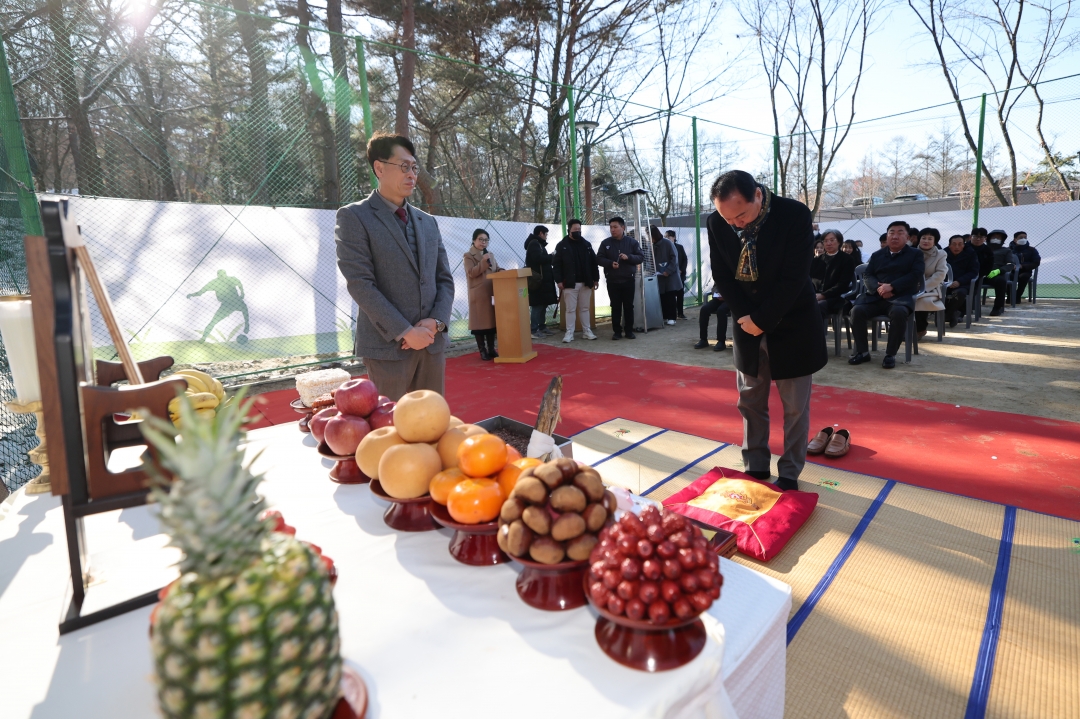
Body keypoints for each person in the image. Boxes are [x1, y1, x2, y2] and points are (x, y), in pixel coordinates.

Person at [707, 169, 827, 492]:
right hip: (746, 322)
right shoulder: (717, 222)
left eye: (741, 216)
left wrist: (762, 318)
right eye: (728, 219)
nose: (736, 224)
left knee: (795, 406)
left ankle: (790, 472)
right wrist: (746, 317)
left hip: (792, 321)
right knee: (750, 399)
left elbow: (794, 277)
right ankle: (756, 465)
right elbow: (722, 274)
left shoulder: (793, 214)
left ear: (758, 195)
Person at [335, 132, 454, 400]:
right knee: (389, 422)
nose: (412, 174)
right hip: (387, 348)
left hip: (431, 343)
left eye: (414, 167)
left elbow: (444, 279)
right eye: (403, 166)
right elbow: (360, 284)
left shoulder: (428, 222)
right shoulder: (354, 217)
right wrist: (406, 331)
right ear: (379, 168)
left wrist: (436, 322)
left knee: (432, 420)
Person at [849, 220, 924, 369]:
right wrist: (879, 289)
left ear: (907, 237)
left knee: (899, 313)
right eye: (891, 232)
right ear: (887, 235)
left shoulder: (915, 254)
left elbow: (916, 274)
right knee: (856, 311)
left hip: (901, 298)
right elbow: (868, 275)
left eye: (900, 232)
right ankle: (863, 352)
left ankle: (890, 354)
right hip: (876, 297)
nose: (895, 236)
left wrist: (892, 287)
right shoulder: (877, 255)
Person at [552, 218, 599, 342]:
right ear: (569, 230)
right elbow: (556, 265)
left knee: (585, 308)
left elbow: (594, 263)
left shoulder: (587, 244)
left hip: (586, 282)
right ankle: (569, 333)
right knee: (570, 309)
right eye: (575, 229)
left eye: (579, 229)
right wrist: (559, 281)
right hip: (569, 283)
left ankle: (587, 331)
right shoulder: (562, 246)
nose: (578, 231)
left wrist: (596, 279)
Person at [596, 217, 643, 339]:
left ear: (623, 228)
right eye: (611, 227)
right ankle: (617, 332)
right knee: (615, 306)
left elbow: (640, 257)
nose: (612, 230)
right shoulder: (605, 243)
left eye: (615, 227)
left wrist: (629, 257)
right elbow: (599, 258)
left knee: (628, 306)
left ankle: (629, 331)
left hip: (628, 280)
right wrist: (610, 263)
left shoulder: (632, 242)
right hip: (612, 280)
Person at [464, 229, 499, 360]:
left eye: (486, 240)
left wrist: (503, 271)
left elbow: (496, 269)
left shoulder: (490, 255)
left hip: (491, 291)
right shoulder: (468, 256)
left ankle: (491, 349)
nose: (483, 242)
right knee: (479, 324)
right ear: (474, 240)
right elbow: (471, 272)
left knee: (491, 323)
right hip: (478, 294)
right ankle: (482, 350)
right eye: (481, 239)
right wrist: (484, 262)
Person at [188, 269, 250, 342]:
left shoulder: (231, 279)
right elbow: (201, 292)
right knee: (213, 322)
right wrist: (192, 294)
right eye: (220, 276)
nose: (222, 278)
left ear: (226, 274)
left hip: (236, 301)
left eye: (223, 275)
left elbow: (239, 284)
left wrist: (242, 293)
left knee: (244, 308)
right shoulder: (214, 283)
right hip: (226, 305)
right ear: (218, 276)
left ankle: (247, 325)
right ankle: (203, 338)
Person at [810, 229, 856, 322]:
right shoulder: (816, 260)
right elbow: (810, 280)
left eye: (832, 240)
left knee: (816, 307)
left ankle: (817, 332)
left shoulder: (847, 259)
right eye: (825, 241)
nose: (828, 243)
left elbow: (843, 284)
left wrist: (823, 295)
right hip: (814, 296)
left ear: (839, 242)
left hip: (836, 297)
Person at [913, 228, 947, 338]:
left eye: (930, 239)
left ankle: (920, 329)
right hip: (912, 285)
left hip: (931, 287)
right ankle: (906, 329)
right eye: (923, 238)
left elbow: (940, 274)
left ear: (935, 241)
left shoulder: (941, 254)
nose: (926, 241)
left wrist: (923, 288)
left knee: (920, 299)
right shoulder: (911, 252)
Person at [524, 225, 557, 338]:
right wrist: (551, 256)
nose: (546, 236)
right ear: (541, 233)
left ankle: (542, 326)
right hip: (538, 281)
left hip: (543, 281)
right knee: (537, 305)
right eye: (546, 234)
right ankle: (534, 329)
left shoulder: (538, 244)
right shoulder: (534, 244)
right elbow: (538, 259)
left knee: (543, 304)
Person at [972, 228, 1008, 316]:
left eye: (998, 238)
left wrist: (999, 270)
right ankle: (970, 307)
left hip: (993, 274)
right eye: (994, 237)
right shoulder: (980, 248)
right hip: (977, 273)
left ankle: (997, 308)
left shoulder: (1006, 250)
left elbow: (1011, 264)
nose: (995, 239)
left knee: (1001, 281)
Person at [944, 234, 979, 326]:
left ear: (964, 245)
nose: (957, 247)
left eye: (960, 244)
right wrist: (947, 282)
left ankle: (948, 314)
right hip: (945, 283)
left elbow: (973, 272)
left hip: (963, 284)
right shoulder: (943, 254)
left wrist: (959, 281)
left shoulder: (970, 254)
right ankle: (952, 314)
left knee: (959, 293)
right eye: (954, 244)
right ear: (949, 245)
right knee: (939, 293)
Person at [652, 225, 681, 325]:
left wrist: (668, 271)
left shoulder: (667, 243)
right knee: (662, 296)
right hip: (659, 275)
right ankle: (664, 316)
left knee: (670, 296)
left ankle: (672, 317)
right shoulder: (652, 245)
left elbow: (674, 258)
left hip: (670, 275)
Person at [694, 285, 729, 351]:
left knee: (721, 311)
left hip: (731, 300)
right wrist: (717, 294)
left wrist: (726, 296)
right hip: (717, 299)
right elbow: (715, 287)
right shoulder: (720, 278)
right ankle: (703, 339)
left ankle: (721, 341)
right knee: (704, 309)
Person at [1010, 231, 1041, 300]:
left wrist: (1022, 266)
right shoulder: (1009, 250)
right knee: (1007, 277)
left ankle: (1017, 296)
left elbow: (1036, 262)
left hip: (1025, 271)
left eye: (1025, 237)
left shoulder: (1032, 250)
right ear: (1015, 239)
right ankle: (1010, 296)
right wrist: (1011, 266)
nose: (1023, 239)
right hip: (1012, 271)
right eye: (1021, 237)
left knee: (1024, 277)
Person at [669, 230, 689, 319]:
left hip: (680, 275)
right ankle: (672, 314)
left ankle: (680, 313)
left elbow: (685, 259)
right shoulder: (665, 248)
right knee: (671, 296)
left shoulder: (680, 247)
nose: (667, 238)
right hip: (670, 276)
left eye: (669, 236)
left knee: (680, 295)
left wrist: (681, 270)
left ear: (674, 237)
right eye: (665, 237)